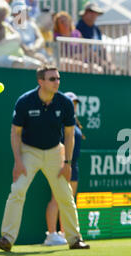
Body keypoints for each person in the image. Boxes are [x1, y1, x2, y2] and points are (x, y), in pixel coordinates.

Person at [0, 64, 90, 251]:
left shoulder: (65, 103)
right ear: (40, 81)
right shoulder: (25, 101)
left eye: (58, 78)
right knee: (17, 190)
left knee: (65, 194)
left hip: (55, 152)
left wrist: (68, 163)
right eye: (52, 79)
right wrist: (18, 161)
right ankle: (7, 238)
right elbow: (15, 133)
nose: (57, 82)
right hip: (29, 151)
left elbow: (69, 135)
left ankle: (75, 239)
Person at [44, 91, 86, 246]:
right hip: (59, 165)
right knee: (56, 199)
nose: (73, 106)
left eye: (75, 104)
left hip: (73, 166)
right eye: (71, 103)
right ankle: (51, 235)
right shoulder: (58, 120)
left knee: (68, 201)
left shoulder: (73, 122)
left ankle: (64, 233)